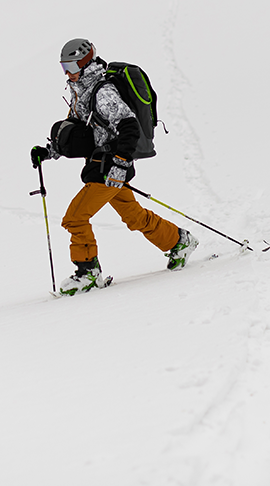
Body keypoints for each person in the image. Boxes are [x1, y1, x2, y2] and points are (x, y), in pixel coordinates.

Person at [31, 38, 198, 294]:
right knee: (134, 216)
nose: (67, 73)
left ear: (85, 62)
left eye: (71, 66)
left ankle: (88, 273)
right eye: (64, 67)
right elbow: (78, 128)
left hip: (110, 167)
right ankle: (178, 241)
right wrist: (49, 151)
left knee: (75, 218)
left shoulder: (103, 92)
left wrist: (120, 163)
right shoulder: (81, 90)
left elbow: (129, 125)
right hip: (102, 164)